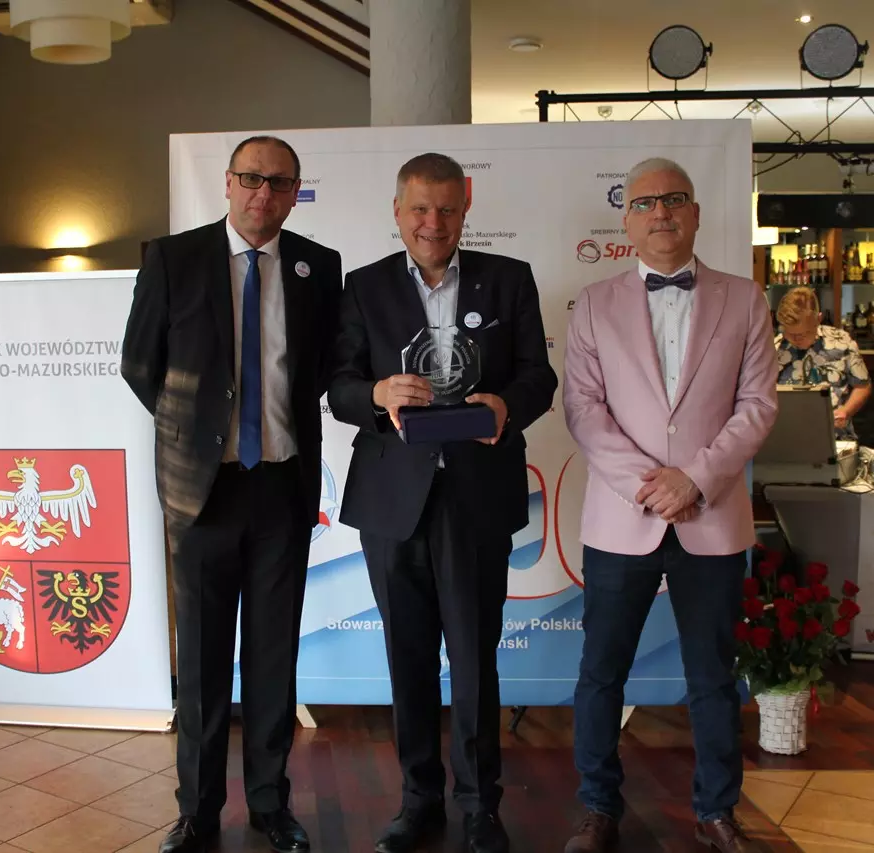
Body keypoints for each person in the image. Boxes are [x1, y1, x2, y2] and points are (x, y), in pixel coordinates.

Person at [328, 152, 557, 853]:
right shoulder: (364, 285)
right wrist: (377, 393)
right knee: (408, 658)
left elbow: (539, 377)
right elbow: (338, 385)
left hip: (476, 496)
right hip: (392, 500)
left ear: (466, 207)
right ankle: (418, 799)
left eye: (447, 209)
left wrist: (505, 407)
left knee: (475, 658)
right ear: (398, 211)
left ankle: (480, 804)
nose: (433, 223)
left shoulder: (509, 278)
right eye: (420, 209)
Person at [120, 135, 342, 853]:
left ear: (295, 193)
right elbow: (140, 364)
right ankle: (197, 810)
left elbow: (320, 370)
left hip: (281, 487)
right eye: (251, 178)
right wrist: (199, 432)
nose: (262, 194)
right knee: (203, 662)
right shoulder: (173, 258)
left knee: (274, 657)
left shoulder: (318, 266)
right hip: (202, 492)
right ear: (227, 182)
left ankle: (272, 806)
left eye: (279, 183)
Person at [561, 157, 778, 853]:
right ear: (626, 220)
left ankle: (717, 811)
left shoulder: (746, 299)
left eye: (675, 199)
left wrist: (697, 479)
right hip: (621, 519)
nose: (661, 212)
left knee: (713, 676)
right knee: (601, 673)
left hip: (711, 518)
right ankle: (597, 808)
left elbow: (758, 405)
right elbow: (583, 409)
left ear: (695, 213)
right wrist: (650, 485)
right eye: (646, 202)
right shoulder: (593, 303)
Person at [774, 286, 872, 440]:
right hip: (788, 438)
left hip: (836, 437)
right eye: (790, 334)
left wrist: (846, 411)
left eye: (804, 333)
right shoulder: (773, 350)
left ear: (818, 319)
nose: (796, 339)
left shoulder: (842, 341)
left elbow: (863, 386)